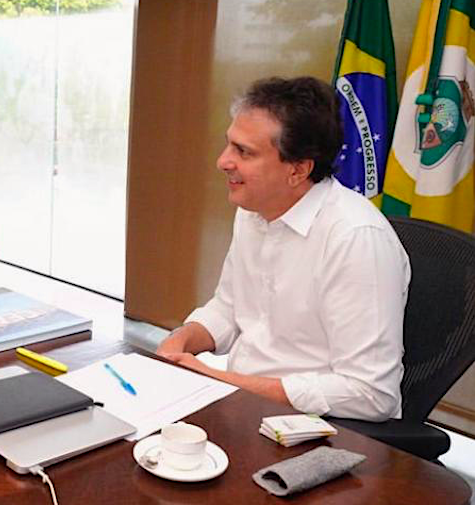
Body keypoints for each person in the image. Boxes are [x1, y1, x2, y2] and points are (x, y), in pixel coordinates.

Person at [156, 76, 410, 422]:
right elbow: (230, 309)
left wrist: (222, 381)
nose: (223, 161)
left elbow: (371, 394)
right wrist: (181, 341)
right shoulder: (255, 210)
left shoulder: (356, 238)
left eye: (244, 152)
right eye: (229, 145)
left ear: (298, 170)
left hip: (323, 427)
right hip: (245, 407)